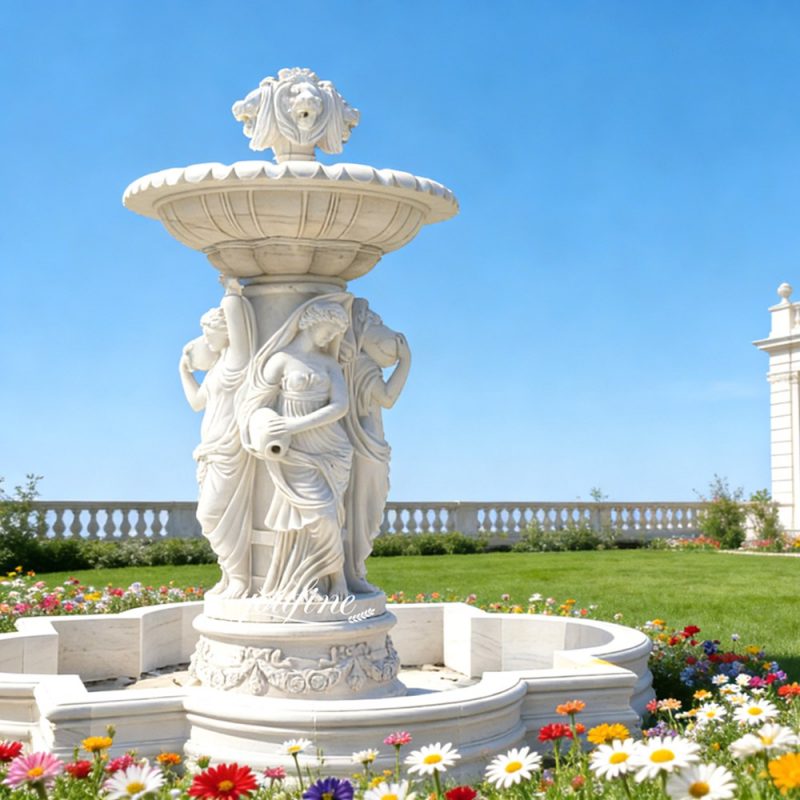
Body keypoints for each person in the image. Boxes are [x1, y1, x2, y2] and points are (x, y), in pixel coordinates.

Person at [239, 294, 353, 600]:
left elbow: (340, 406)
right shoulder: (280, 360)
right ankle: (300, 583)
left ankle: (337, 580)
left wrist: (293, 426)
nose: (331, 337)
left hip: (329, 448)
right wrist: (260, 430)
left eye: (336, 333)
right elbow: (254, 404)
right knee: (314, 517)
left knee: (329, 516)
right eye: (328, 329)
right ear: (310, 322)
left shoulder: (329, 364)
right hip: (292, 452)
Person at [179, 275, 256, 598]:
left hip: (230, 449)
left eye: (209, 332)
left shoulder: (238, 361)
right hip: (210, 451)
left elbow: (239, 328)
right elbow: (198, 403)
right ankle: (230, 574)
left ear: (225, 332)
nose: (205, 339)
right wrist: (184, 371)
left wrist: (232, 294)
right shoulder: (215, 371)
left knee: (215, 514)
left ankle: (241, 578)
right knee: (215, 515)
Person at [342, 299, 411, 593]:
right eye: (377, 325)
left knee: (364, 509)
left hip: (369, 445)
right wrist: (407, 362)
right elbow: (387, 398)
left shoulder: (355, 364)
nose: (386, 333)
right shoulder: (362, 365)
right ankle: (354, 570)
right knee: (363, 510)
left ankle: (355, 568)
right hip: (367, 446)